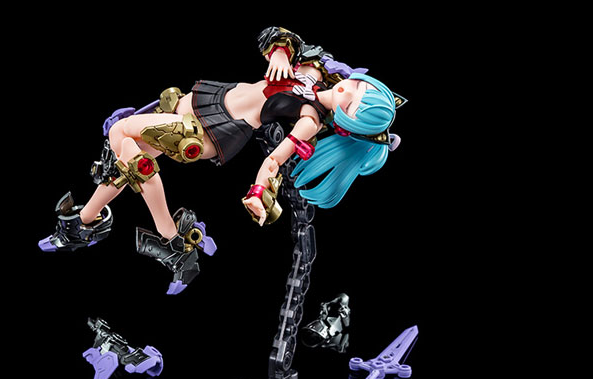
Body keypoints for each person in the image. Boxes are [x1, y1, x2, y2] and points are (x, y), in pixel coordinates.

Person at [39, 27, 405, 294]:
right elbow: (279, 36)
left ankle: (169, 238)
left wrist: (259, 193)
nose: (348, 92)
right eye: (359, 87)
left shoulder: (309, 120)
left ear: (347, 122)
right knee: (126, 159)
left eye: (352, 106)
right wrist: (279, 52)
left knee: (122, 134)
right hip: (209, 99)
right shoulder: (312, 72)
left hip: (211, 131)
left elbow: (275, 161)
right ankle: (84, 224)